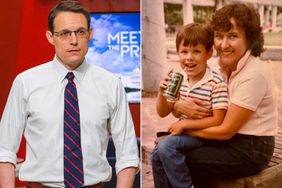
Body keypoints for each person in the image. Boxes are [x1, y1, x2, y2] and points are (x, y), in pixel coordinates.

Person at [0, 1, 139, 188]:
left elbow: (128, 155)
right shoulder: (26, 82)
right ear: (50, 37)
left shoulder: (111, 84)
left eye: (80, 32)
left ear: (90, 35)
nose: (73, 40)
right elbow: (4, 149)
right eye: (65, 33)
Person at [152, 3, 278, 188]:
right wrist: (177, 106)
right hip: (228, 139)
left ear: (249, 39)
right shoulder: (224, 68)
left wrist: (182, 126)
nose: (224, 44)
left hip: (251, 148)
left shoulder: (254, 73)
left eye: (233, 36)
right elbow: (173, 107)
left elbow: (224, 130)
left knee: (165, 154)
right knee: (162, 153)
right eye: (219, 36)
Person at [152, 23, 228, 188]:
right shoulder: (179, 79)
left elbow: (218, 120)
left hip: (204, 136)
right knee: (156, 155)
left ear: (209, 53)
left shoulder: (216, 82)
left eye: (196, 51)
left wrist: (185, 124)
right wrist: (161, 92)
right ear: (177, 52)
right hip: (186, 135)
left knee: (166, 146)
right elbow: (163, 112)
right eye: (184, 51)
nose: (189, 58)